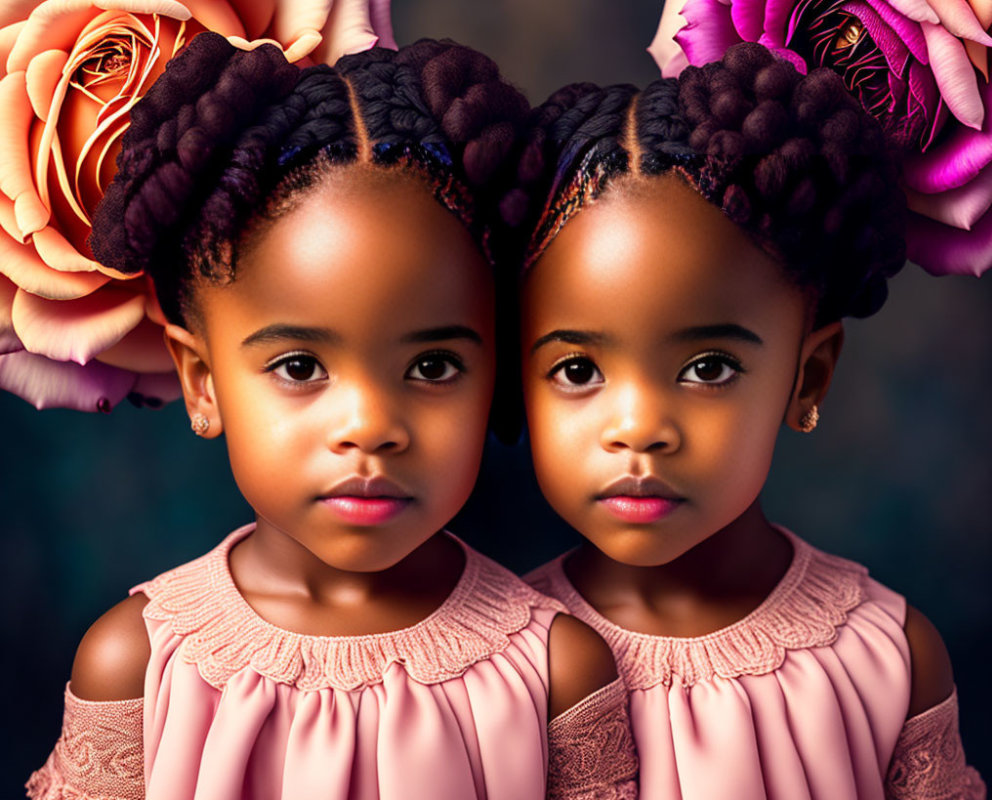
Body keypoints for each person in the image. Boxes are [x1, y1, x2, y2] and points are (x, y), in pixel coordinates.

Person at [27, 32, 637, 800]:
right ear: (204, 383)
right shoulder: (139, 667)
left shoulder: (556, 673)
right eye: (300, 368)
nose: (370, 425)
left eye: (432, 367)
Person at [520, 42, 985, 799]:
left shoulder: (887, 658)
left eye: (708, 368)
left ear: (808, 377)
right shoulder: (491, 670)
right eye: (578, 371)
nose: (639, 428)